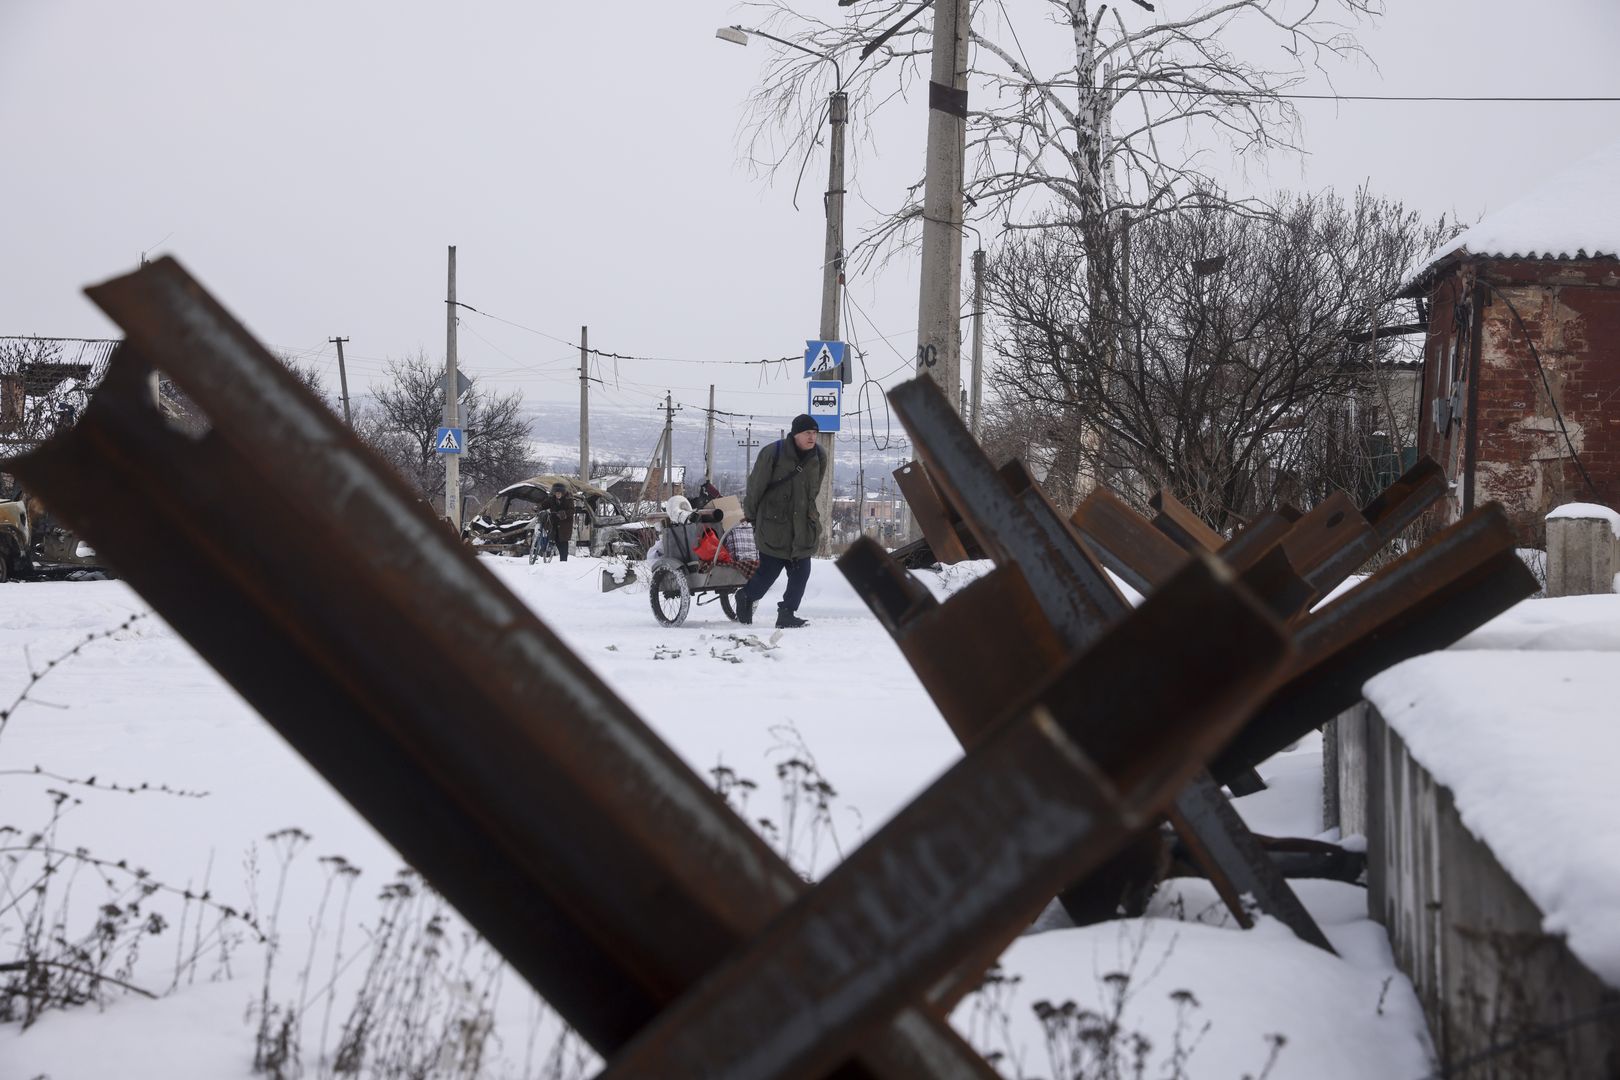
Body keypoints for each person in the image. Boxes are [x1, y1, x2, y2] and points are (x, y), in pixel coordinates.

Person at [735, 414, 824, 629]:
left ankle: (787, 612)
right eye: (807, 433)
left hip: (803, 527)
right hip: (775, 525)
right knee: (768, 574)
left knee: (801, 573)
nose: (812, 437)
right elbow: (755, 487)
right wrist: (752, 514)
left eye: (814, 433)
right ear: (795, 434)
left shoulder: (819, 456)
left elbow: (814, 490)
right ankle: (746, 596)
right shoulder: (773, 453)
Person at [544, 481, 576, 561]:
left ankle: (564, 560)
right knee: (557, 540)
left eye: (559, 493)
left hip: (565, 524)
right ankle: (560, 557)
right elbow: (545, 504)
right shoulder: (552, 498)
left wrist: (564, 513)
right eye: (556, 493)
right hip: (555, 522)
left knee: (564, 542)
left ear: (563, 493)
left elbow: (572, 510)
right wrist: (539, 508)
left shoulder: (568, 498)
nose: (557, 495)